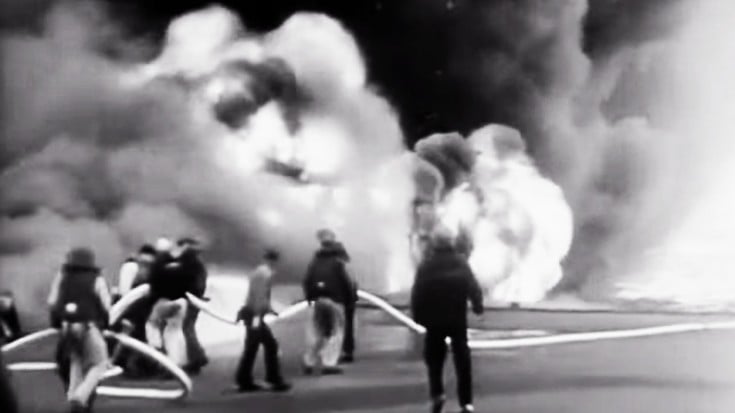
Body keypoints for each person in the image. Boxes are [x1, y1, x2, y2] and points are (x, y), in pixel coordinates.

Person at [411, 228, 484, 413]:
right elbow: (473, 286)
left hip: (434, 321)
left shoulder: (426, 265)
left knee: (434, 359)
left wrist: (418, 317)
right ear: (452, 242)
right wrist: (477, 306)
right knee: (462, 361)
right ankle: (466, 402)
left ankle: (437, 393)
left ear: (434, 243)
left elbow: (418, 293)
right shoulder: (461, 263)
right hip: (457, 319)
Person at [48, 247, 112, 413]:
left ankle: (74, 398)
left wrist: (56, 323)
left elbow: (52, 302)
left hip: (66, 327)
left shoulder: (62, 276)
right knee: (100, 363)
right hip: (87, 325)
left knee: (76, 361)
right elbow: (106, 304)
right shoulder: (96, 278)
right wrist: (106, 325)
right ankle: (80, 398)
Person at [233, 249, 291, 392]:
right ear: (274, 260)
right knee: (267, 346)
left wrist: (270, 309)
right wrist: (261, 312)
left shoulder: (258, 272)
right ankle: (272, 379)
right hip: (255, 316)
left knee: (253, 348)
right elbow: (259, 296)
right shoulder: (265, 274)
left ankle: (245, 379)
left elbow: (256, 295)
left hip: (252, 314)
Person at [311, 229, 357, 363]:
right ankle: (342, 353)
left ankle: (320, 357)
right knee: (340, 328)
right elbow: (349, 279)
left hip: (325, 298)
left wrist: (312, 296)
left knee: (325, 328)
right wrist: (350, 298)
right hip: (340, 299)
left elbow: (309, 279)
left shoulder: (318, 259)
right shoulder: (341, 258)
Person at [113, 244, 157, 377]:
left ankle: (125, 362)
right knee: (137, 336)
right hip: (131, 306)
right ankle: (140, 365)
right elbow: (124, 290)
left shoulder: (138, 267)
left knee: (134, 335)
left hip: (139, 307)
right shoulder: (132, 267)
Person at [145, 238, 189, 367]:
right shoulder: (180, 264)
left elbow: (153, 285)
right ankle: (178, 361)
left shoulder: (157, 265)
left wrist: (151, 301)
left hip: (164, 300)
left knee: (151, 326)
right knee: (175, 331)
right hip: (182, 302)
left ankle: (156, 351)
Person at [175, 237, 209, 374]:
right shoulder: (197, 261)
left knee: (186, 328)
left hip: (190, 300)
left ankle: (197, 357)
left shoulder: (188, 260)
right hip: (195, 299)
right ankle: (196, 357)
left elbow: (185, 280)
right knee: (188, 328)